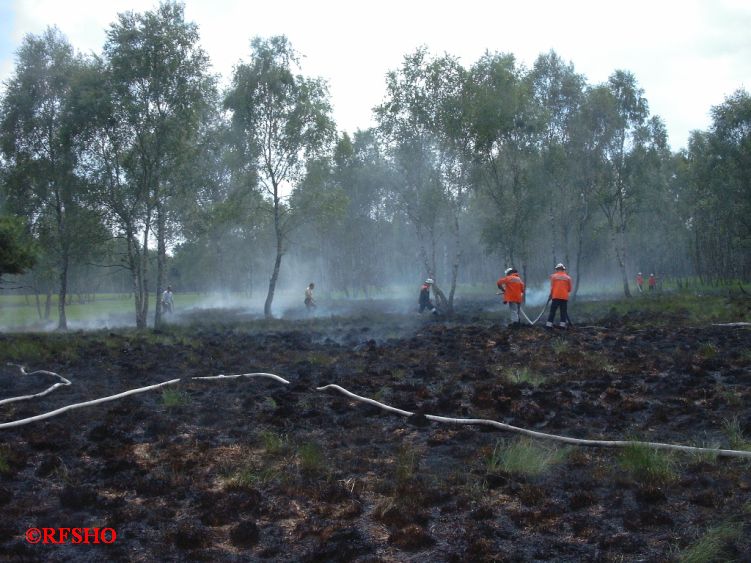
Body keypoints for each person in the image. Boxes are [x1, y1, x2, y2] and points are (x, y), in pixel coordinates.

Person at [546, 264, 572, 329]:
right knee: (563, 312)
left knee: (552, 312)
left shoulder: (553, 277)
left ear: (557, 269)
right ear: (563, 269)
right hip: (564, 297)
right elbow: (569, 289)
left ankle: (548, 326)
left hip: (555, 297)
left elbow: (552, 287)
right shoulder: (568, 278)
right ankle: (562, 326)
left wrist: (551, 295)